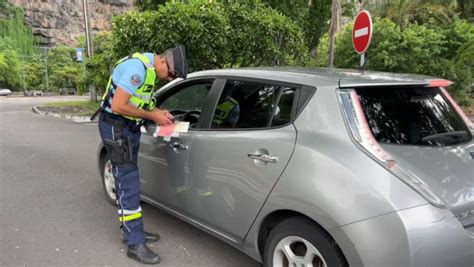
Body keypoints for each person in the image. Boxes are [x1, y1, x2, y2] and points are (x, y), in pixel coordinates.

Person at [94, 45, 188, 264]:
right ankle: (134, 243)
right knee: (128, 182)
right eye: (171, 74)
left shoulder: (149, 70)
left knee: (129, 178)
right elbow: (118, 105)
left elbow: (140, 101)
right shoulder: (137, 69)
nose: (169, 79)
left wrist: (157, 113)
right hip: (117, 127)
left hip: (127, 127)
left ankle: (132, 231)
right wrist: (152, 115)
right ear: (164, 63)